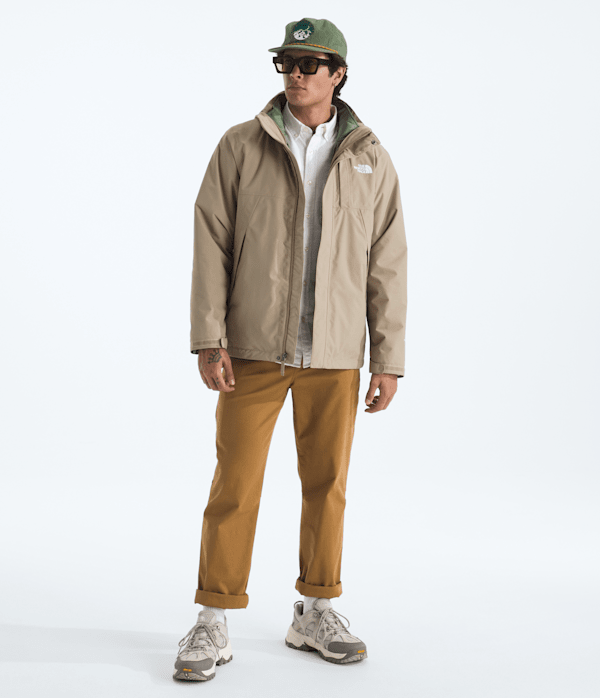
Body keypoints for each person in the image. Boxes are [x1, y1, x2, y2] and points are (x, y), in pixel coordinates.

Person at [173, 17, 408, 682]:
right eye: (287, 62)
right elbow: (211, 241)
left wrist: (388, 358)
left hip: (335, 353)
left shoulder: (370, 157)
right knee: (235, 483)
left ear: (338, 74)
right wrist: (209, 338)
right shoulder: (241, 145)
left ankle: (316, 609)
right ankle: (213, 616)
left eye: (310, 64)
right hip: (252, 348)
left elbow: (387, 261)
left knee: (328, 486)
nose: (296, 74)